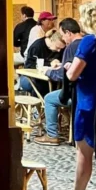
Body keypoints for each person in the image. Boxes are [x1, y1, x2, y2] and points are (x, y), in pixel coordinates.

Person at [55, 1, 96, 190]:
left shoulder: (89, 41)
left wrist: (69, 67)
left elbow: (73, 74)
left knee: (83, 153)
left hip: (88, 102)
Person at [35, 17, 84, 146]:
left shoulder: (71, 47)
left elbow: (63, 75)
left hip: (75, 93)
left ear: (68, 33)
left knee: (49, 98)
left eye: (63, 35)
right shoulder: (87, 43)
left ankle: (52, 135)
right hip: (88, 91)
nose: (63, 39)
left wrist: (47, 71)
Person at [18, 29, 65, 99]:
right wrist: (49, 64)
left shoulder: (61, 49)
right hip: (31, 77)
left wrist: (58, 63)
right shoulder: (37, 46)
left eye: (61, 49)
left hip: (50, 77)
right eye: (57, 47)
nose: (59, 51)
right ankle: (39, 103)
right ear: (51, 40)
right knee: (40, 84)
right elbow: (29, 65)